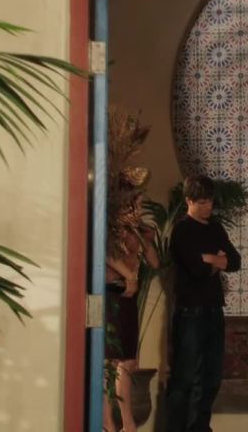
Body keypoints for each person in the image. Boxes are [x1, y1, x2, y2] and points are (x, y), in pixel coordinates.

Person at [165, 174, 241, 432]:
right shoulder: (182, 230)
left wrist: (209, 259)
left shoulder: (216, 228)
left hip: (214, 310)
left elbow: (235, 261)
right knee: (185, 377)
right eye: (202, 202)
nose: (208, 207)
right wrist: (217, 260)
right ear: (189, 201)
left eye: (210, 201)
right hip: (190, 312)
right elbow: (196, 270)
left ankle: (199, 427)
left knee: (211, 377)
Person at [103, 167, 160, 432]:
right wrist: (129, 276)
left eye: (140, 203)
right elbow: (105, 255)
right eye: (135, 202)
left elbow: (155, 262)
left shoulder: (138, 230)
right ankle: (108, 423)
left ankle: (127, 423)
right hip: (112, 293)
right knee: (109, 363)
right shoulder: (109, 226)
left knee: (127, 362)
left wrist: (145, 239)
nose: (138, 207)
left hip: (128, 299)